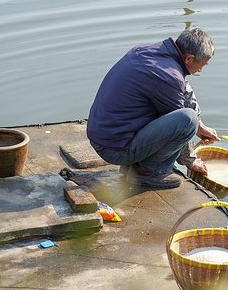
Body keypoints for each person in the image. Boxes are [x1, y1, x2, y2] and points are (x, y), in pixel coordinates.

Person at [86, 28, 220, 189]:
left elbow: (184, 89)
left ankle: (137, 164)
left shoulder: (149, 52)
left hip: (102, 136)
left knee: (190, 119)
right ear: (189, 58)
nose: (200, 70)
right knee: (188, 119)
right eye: (202, 64)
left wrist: (200, 126)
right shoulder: (168, 77)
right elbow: (183, 125)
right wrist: (191, 161)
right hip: (113, 149)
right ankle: (149, 171)